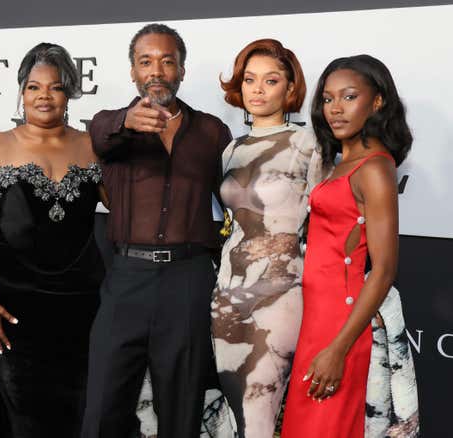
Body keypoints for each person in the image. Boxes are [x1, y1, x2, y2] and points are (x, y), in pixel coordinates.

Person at [81, 23, 232, 438]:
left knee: (182, 409)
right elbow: (100, 132)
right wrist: (128, 122)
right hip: (126, 279)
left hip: (188, 279)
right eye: (146, 61)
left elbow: (239, 198)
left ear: (181, 70)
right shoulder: (109, 126)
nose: (157, 71)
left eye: (168, 61)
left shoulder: (211, 132)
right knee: (102, 409)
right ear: (132, 71)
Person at [0, 43, 104, 438]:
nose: (44, 95)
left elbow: (126, 206)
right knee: (24, 412)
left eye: (55, 87)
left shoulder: (91, 145)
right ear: (21, 92)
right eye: (33, 86)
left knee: (72, 413)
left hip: (80, 305)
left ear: (70, 93)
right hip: (12, 306)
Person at [281, 55, 419, 437]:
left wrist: (339, 349)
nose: (335, 109)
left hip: (341, 325)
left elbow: (385, 269)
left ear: (377, 102)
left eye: (349, 96)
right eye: (327, 99)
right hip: (316, 318)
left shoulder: (374, 168)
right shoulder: (342, 161)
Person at [211, 39, 325, 438]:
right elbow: (225, 222)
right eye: (249, 80)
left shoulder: (309, 144)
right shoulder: (230, 150)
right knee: (233, 410)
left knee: (260, 408)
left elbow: (326, 223)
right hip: (227, 291)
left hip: (281, 293)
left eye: (270, 80)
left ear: (289, 88)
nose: (258, 90)